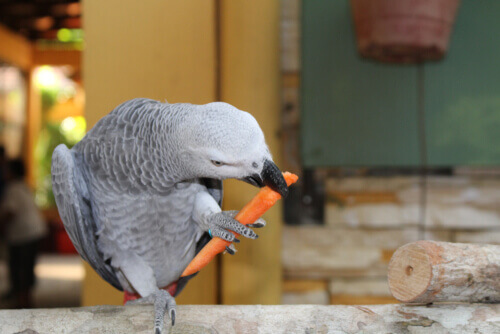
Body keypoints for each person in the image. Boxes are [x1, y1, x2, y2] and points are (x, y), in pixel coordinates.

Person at [0, 159, 47, 308]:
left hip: (24, 235)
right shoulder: (23, 186)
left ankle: (23, 301)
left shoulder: (13, 189)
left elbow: (10, 213)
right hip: (33, 232)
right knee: (26, 267)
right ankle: (25, 298)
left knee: (20, 268)